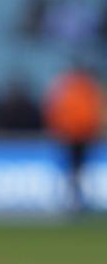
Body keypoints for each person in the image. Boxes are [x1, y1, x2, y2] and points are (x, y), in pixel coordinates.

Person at [42, 65, 104, 212]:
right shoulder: (85, 88)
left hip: (76, 134)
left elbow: (54, 109)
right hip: (76, 134)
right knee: (76, 169)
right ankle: (75, 200)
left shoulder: (68, 87)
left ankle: (76, 199)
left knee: (76, 169)